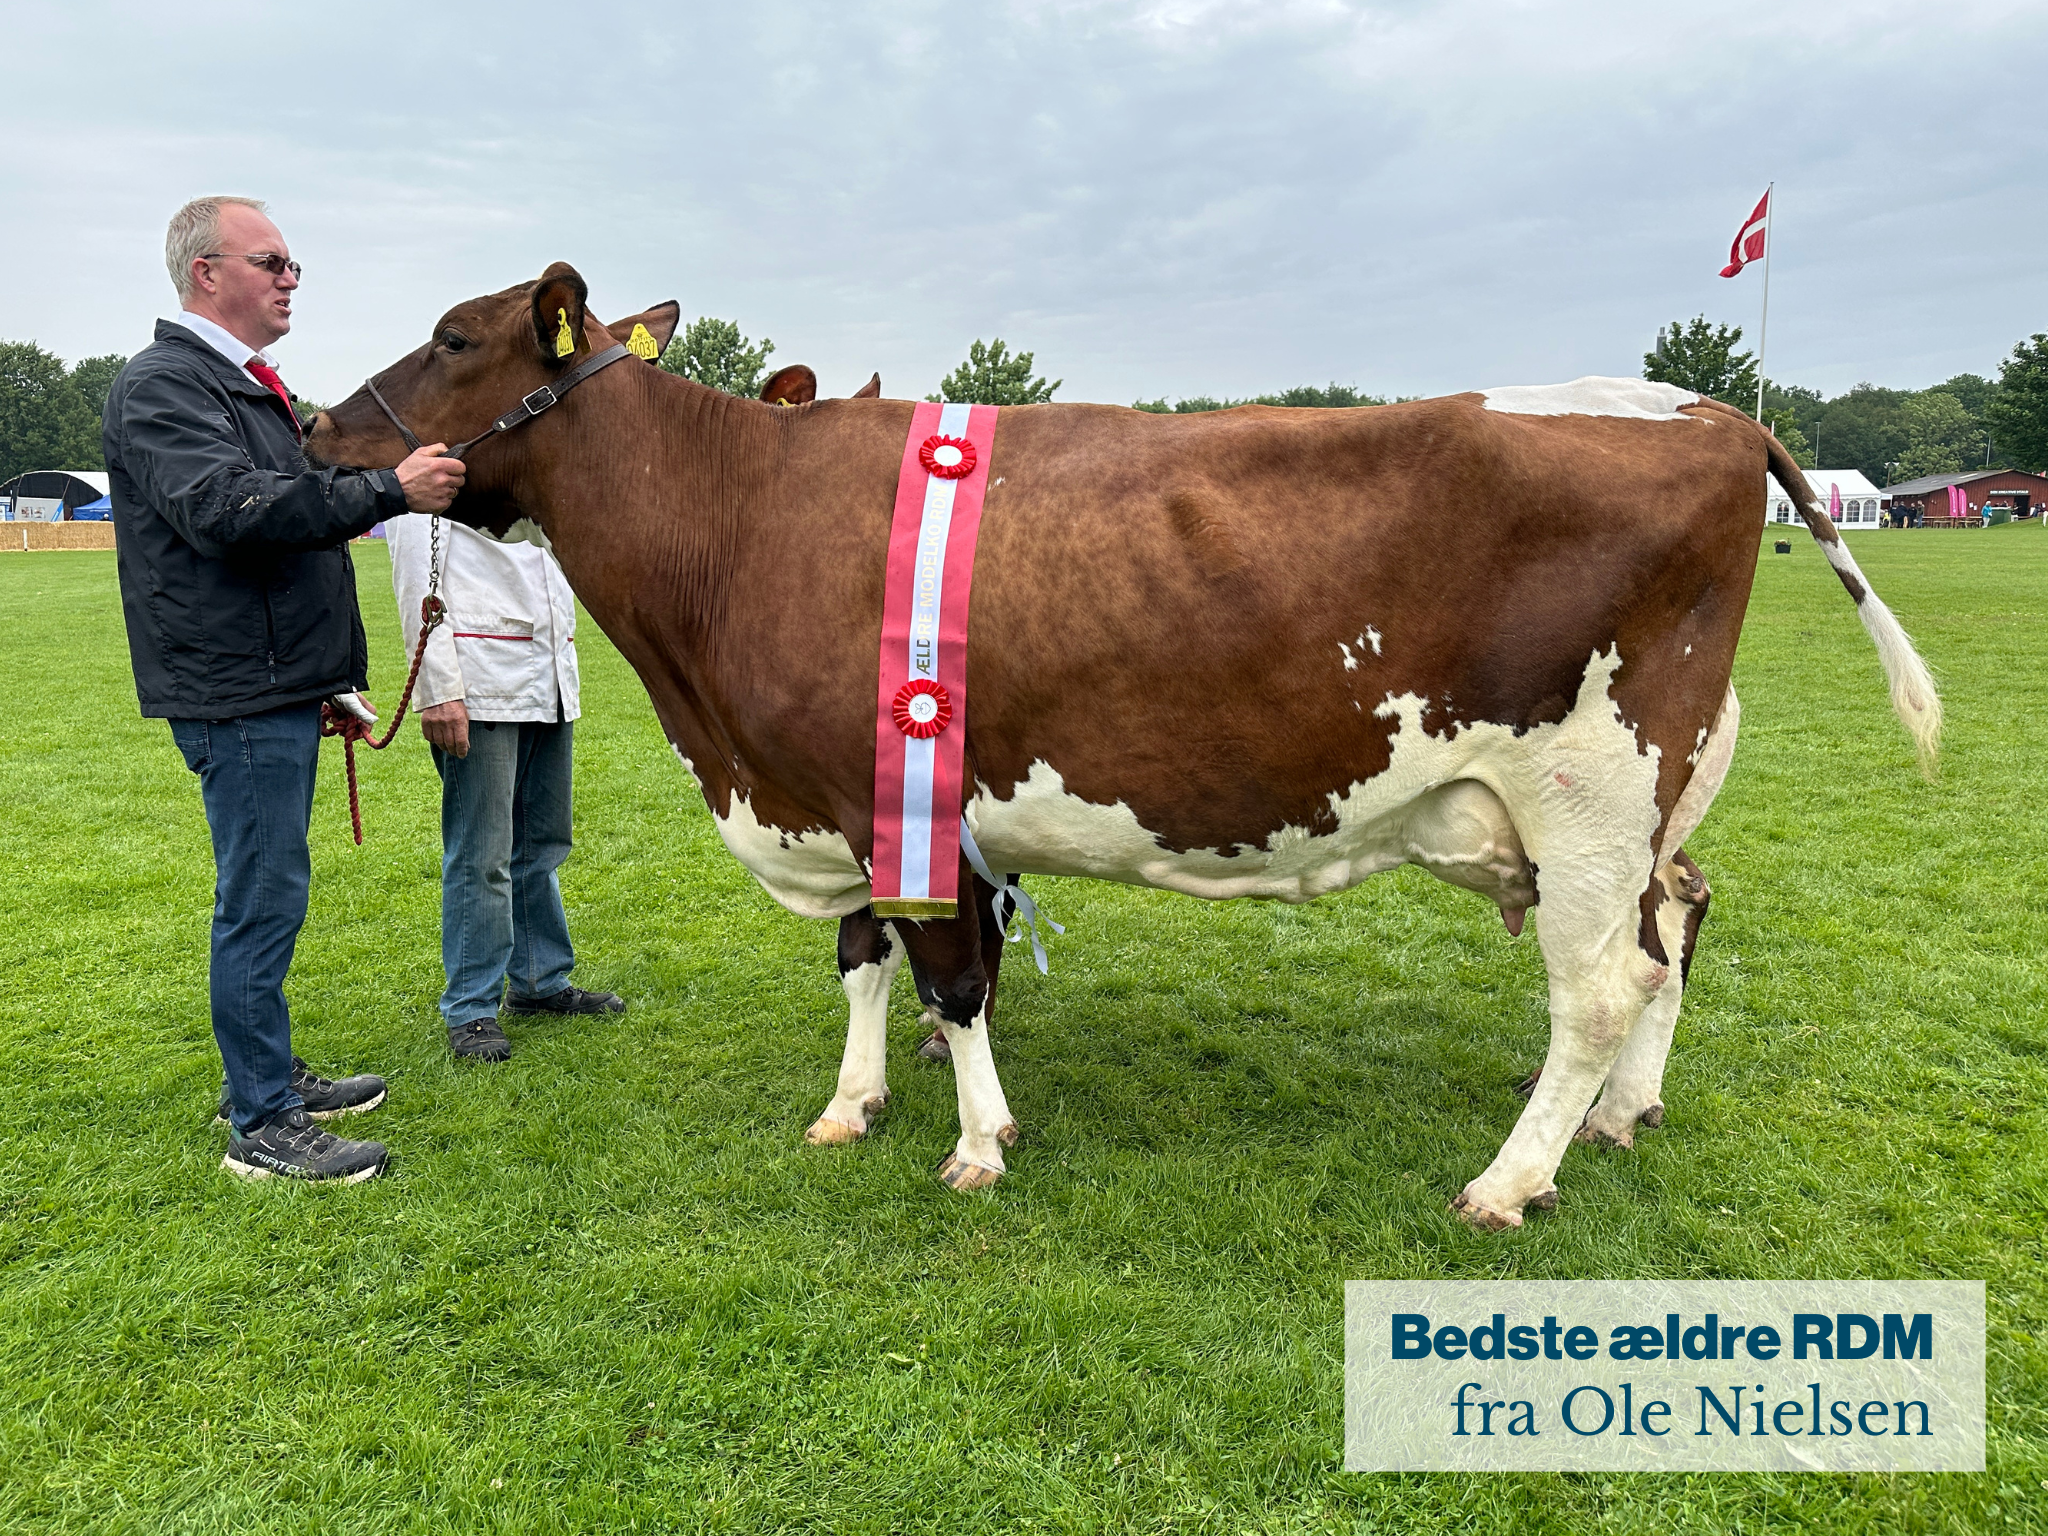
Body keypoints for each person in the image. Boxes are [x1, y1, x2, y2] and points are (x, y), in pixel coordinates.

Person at [104, 195, 466, 1182]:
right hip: (234, 692)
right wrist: (391, 489)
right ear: (205, 273)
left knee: (270, 890)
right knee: (261, 899)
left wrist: (320, 681)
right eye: (270, 261)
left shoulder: (242, 386)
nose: (290, 277)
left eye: (292, 263)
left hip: (270, 683)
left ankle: (263, 1076)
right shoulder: (164, 385)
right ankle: (262, 1123)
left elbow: (280, 523)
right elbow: (232, 510)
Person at [388, 515, 625, 1062]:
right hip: (479, 679)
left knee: (542, 844)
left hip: (547, 674)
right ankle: (471, 1006)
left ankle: (540, 980)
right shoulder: (429, 472)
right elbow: (415, 573)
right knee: (483, 852)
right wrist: (438, 688)